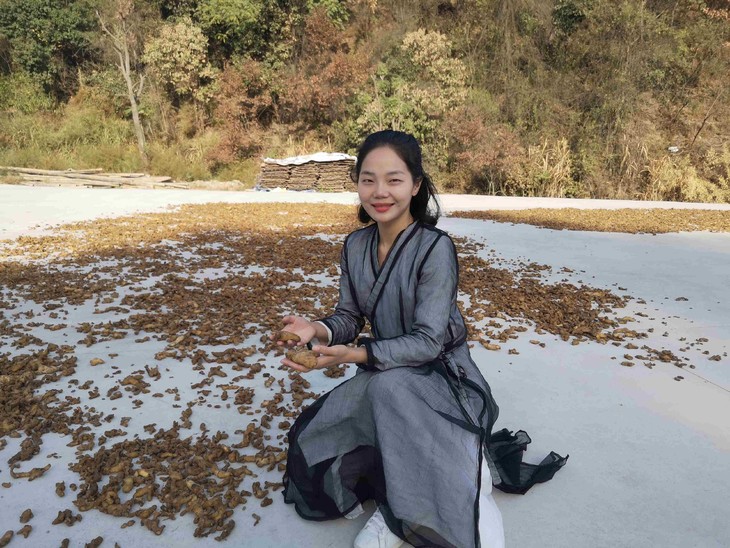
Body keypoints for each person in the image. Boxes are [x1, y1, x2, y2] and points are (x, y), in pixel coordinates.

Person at [275, 130, 567, 548]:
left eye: (393, 180)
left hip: (444, 376)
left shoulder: (435, 248)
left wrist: (353, 355)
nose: (380, 192)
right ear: (357, 183)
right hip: (385, 369)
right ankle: (405, 496)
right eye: (368, 180)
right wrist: (316, 329)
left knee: (388, 390)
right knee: (323, 430)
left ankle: (466, 482)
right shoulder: (355, 245)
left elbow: (429, 342)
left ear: (415, 185)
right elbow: (349, 316)